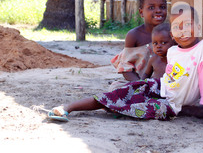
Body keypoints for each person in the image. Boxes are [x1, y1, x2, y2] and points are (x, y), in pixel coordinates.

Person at [47, 22, 176, 122]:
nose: (158, 46)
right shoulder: (154, 59)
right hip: (148, 88)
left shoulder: (178, 59)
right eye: (155, 43)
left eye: (163, 43)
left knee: (158, 110)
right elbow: (144, 80)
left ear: (174, 41)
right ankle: (68, 107)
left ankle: (118, 109)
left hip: (165, 97)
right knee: (114, 95)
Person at [109, 0, 167, 90]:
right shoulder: (134, 35)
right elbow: (126, 68)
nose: (158, 10)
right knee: (116, 88)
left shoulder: (170, 33)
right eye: (151, 7)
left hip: (165, 83)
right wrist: (140, 85)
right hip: (138, 82)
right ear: (141, 12)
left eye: (162, 7)